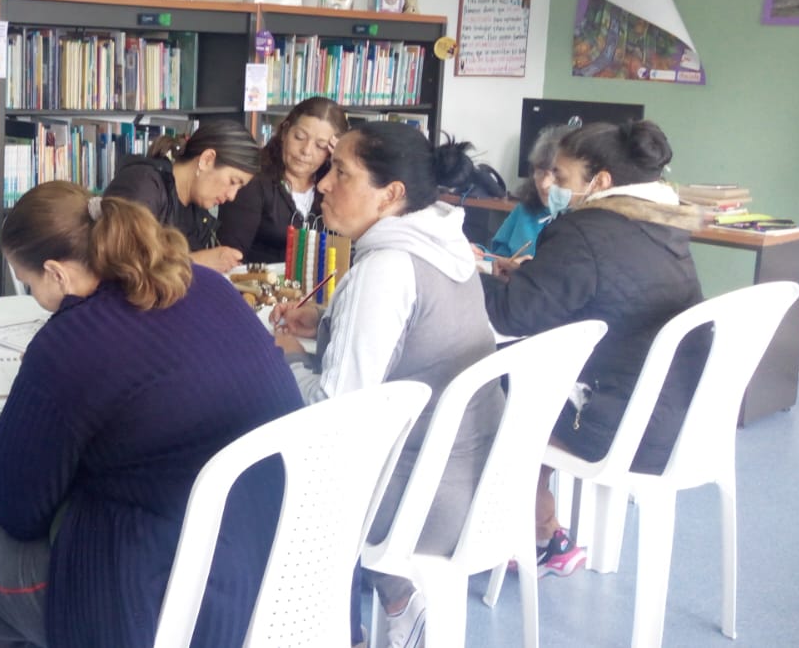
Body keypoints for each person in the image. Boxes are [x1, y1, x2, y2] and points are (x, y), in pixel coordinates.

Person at [0, 181, 303, 648]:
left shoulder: (68, 343)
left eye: (30, 283)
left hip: (159, 600)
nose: (35, 296)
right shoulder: (209, 286)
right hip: (286, 570)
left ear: (56, 273)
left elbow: (22, 514)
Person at [270, 123, 504, 648]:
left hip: (419, 502)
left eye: (342, 173)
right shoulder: (447, 244)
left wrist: (286, 358)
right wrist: (329, 320)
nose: (324, 184)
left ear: (391, 194)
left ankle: (322, 626)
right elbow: (417, 345)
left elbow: (334, 416)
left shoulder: (385, 270)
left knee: (261, 474)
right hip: (476, 481)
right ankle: (399, 602)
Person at [482, 120, 707, 576]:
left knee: (491, 395)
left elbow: (510, 315)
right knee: (527, 387)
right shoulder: (661, 228)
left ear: (600, 182)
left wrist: (468, 273)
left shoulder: (585, 229)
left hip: (618, 424)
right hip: (677, 417)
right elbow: (602, 289)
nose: (548, 185)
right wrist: (535, 276)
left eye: (561, 176)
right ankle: (543, 530)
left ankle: (523, 534)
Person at [102, 118, 261, 272]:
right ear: (207, 159)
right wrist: (199, 261)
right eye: (233, 182)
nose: (232, 196)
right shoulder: (143, 184)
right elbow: (122, 263)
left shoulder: (197, 210)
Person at [217, 97, 347, 263]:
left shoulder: (334, 187)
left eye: (320, 146)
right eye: (299, 137)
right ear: (285, 132)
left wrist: (345, 163)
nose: (306, 150)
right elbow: (229, 256)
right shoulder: (253, 181)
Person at [484, 123, 575, 263]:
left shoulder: (582, 223)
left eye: (555, 175)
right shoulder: (524, 209)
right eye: (539, 172)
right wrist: (478, 254)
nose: (544, 184)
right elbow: (499, 254)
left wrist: (527, 269)